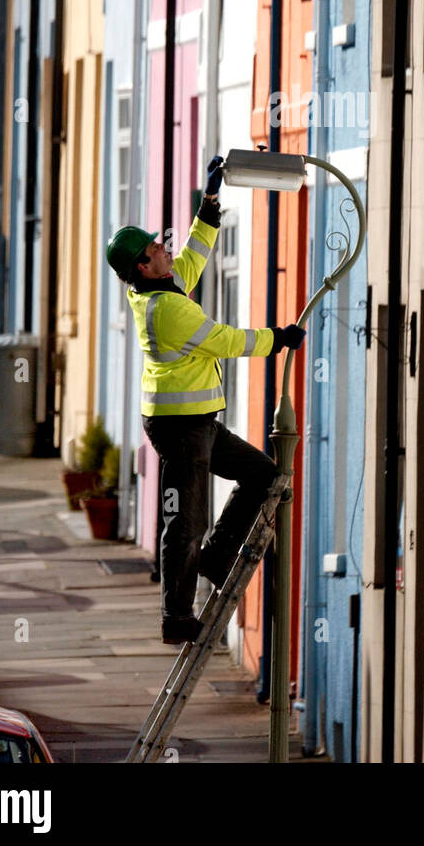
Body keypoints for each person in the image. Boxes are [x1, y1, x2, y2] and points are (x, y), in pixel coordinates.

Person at [105, 154, 306, 645]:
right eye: (156, 247)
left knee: (262, 474)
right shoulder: (166, 308)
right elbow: (227, 341)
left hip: (197, 423)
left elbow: (193, 256)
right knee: (183, 521)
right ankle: (176, 615)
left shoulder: (159, 288)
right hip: (179, 428)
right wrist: (277, 338)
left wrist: (210, 202)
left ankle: (217, 556)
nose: (165, 248)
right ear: (142, 265)